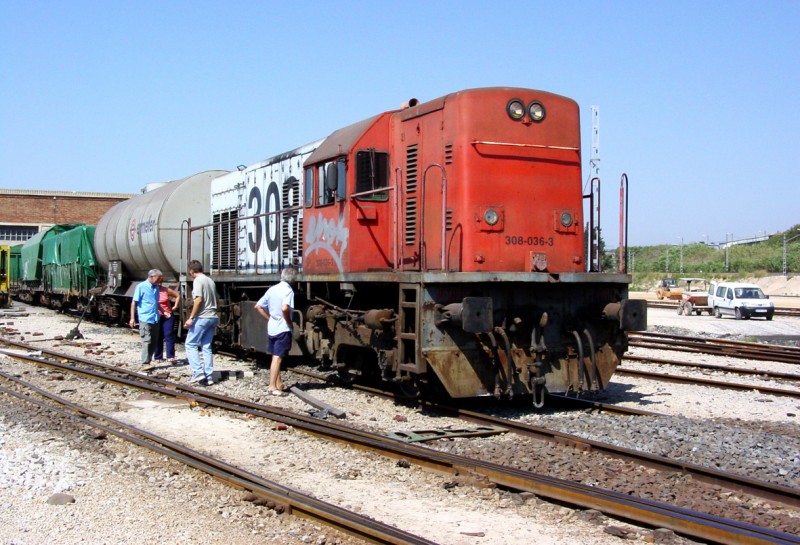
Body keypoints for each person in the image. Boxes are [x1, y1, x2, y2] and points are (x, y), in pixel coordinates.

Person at [254, 266, 297, 396]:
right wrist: (289, 323)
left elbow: (258, 306)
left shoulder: (272, 289)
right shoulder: (288, 291)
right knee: (277, 358)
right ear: (293, 279)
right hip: (282, 329)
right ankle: (272, 387)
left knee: (275, 356)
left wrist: (269, 318)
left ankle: (278, 383)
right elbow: (285, 308)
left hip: (272, 328)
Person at [183, 260, 219, 385]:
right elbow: (217, 300)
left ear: (192, 271)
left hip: (203, 317)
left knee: (190, 344)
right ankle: (209, 376)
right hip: (213, 316)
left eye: (190, 272)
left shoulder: (198, 280)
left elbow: (198, 299)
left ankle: (198, 373)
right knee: (206, 346)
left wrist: (191, 318)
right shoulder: (210, 280)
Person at [129, 269, 163, 368]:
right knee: (146, 340)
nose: (160, 280)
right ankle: (145, 363)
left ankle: (149, 361)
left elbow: (156, 302)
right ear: (151, 277)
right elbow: (134, 302)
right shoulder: (141, 287)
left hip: (155, 318)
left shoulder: (156, 288)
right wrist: (132, 318)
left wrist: (164, 311)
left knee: (154, 341)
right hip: (145, 318)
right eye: (158, 278)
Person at [153, 273, 181, 364]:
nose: (159, 284)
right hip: (156, 316)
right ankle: (158, 357)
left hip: (168, 316)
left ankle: (170, 356)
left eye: (160, 282)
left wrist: (175, 306)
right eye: (158, 282)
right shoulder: (151, 291)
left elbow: (177, 295)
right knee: (158, 336)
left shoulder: (165, 290)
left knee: (169, 335)